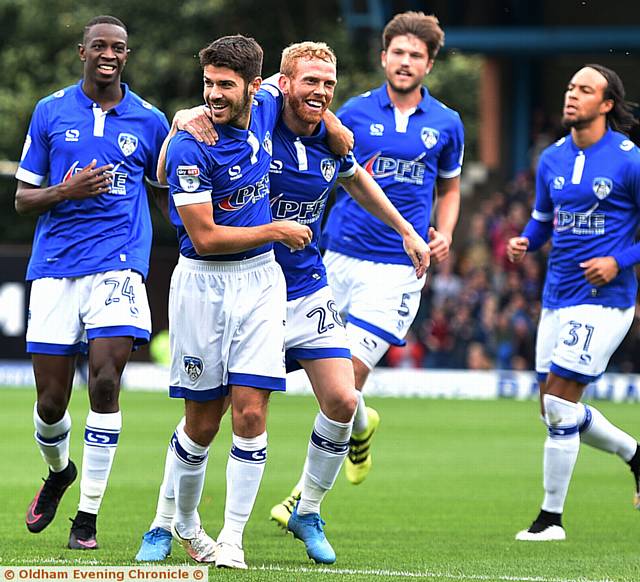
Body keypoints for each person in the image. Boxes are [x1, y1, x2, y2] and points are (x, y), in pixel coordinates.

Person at [135, 40, 428, 566]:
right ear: (280, 85)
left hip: (302, 286)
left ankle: (306, 509)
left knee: (340, 400)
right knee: (208, 418)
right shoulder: (259, 116)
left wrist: (406, 230)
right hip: (238, 282)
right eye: (307, 82)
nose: (318, 93)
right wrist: (185, 114)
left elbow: (357, 179)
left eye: (327, 85)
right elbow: (217, 103)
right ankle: (165, 521)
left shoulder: (332, 141)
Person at [135, 34, 320, 568]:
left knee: (251, 411)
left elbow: (309, 94)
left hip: (261, 284)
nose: (213, 95)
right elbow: (208, 236)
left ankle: (233, 539)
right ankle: (178, 524)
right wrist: (276, 229)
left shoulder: (264, 107)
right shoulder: (193, 144)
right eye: (207, 85)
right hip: (202, 283)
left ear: (254, 88)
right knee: (201, 423)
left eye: (224, 85)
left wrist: (337, 129)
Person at [15, 15, 169, 550]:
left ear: (127, 55)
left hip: (120, 265)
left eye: (119, 47)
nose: (109, 54)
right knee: (51, 404)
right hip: (55, 269)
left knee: (104, 382)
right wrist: (68, 190)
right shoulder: (50, 111)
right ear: (83, 51)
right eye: (99, 46)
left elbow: (172, 184)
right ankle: (59, 473)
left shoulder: (151, 121)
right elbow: (22, 198)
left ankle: (87, 518)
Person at [316, 11, 463, 486]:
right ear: (383, 58)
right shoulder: (352, 113)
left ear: (429, 66)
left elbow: (451, 188)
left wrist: (445, 231)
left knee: (348, 379)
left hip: (398, 269)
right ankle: (362, 425)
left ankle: (304, 501)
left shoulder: (447, 123)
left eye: (415, 55)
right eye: (397, 52)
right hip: (336, 258)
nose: (405, 61)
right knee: (330, 389)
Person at [508, 64, 640, 541]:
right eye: (569, 87)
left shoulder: (629, 160)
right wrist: (525, 240)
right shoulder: (551, 158)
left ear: (606, 104)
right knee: (551, 408)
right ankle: (635, 454)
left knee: (562, 403)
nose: (572, 95)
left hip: (604, 300)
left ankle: (551, 519)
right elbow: (543, 220)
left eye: (585, 90)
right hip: (557, 295)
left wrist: (619, 261)